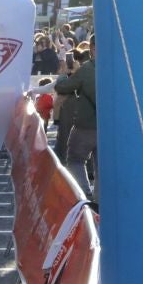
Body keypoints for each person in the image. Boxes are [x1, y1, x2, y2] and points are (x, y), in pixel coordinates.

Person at [54, 36, 98, 200]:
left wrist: (65, 74)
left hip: (86, 125)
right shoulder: (117, 67)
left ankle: (84, 195)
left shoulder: (87, 69)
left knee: (75, 159)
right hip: (110, 127)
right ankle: (101, 198)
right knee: (102, 165)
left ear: (92, 48)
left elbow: (62, 87)